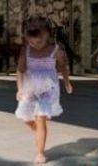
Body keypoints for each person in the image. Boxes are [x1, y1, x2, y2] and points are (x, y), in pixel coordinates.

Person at [15, 16, 73, 164]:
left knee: (41, 119)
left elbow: (63, 67)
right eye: (31, 42)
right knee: (25, 117)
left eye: (39, 41)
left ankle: (40, 153)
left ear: (48, 34)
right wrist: (19, 89)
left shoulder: (55, 50)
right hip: (29, 88)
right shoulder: (26, 50)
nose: (35, 45)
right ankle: (37, 129)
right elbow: (20, 70)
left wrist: (67, 83)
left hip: (48, 89)